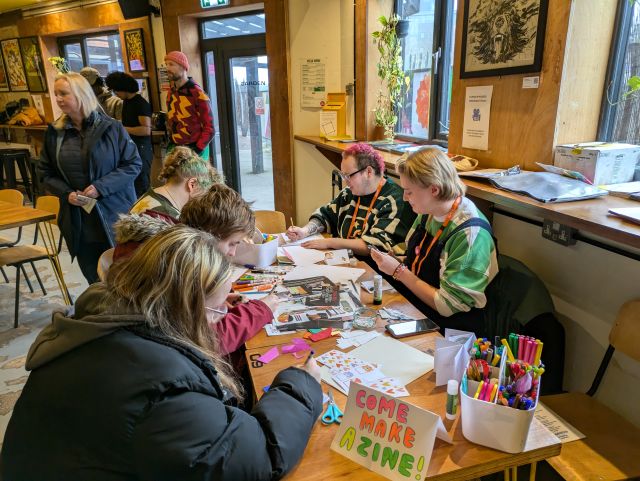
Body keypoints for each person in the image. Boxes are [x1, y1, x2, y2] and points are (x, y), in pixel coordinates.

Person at [1, 225, 323, 480]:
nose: (223, 315)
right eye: (216, 310)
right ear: (186, 308)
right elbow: (261, 459)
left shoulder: (102, 320)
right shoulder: (160, 390)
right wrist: (301, 383)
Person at [114, 183, 279, 355]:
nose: (232, 253)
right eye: (232, 244)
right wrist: (261, 310)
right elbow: (207, 341)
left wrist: (215, 302)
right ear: (209, 236)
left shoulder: (172, 250)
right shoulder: (173, 267)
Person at [370, 147, 498, 332]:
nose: (405, 198)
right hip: (419, 309)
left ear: (434, 189)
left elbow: (447, 306)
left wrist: (398, 271)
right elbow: (412, 252)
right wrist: (396, 260)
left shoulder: (470, 234)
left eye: (409, 191)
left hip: (451, 328)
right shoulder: (429, 211)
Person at [39, 72, 141, 284]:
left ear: (81, 94)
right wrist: (66, 194)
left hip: (114, 214)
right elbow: (45, 173)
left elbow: (133, 165)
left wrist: (100, 187)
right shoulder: (54, 132)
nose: (58, 99)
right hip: (78, 219)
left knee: (124, 275)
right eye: (56, 93)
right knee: (93, 278)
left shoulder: (112, 128)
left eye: (64, 94)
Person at [286, 143, 416, 256]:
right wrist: (304, 231)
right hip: (346, 261)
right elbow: (324, 215)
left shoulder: (394, 201)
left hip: (376, 272)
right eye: (343, 176)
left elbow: (375, 245)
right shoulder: (350, 193)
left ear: (369, 172)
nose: (346, 182)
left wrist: (330, 242)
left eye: (349, 176)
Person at [128, 145, 223, 221]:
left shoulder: (150, 195)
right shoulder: (167, 218)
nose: (202, 201)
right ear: (192, 184)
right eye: (203, 194)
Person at [105, 71, 153, 196]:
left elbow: (146, 129)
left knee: (141, 184)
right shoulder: (127, 102)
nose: (116, 94)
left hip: (142, 149)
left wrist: (122, 127)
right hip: (131, 147)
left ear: (124, 88)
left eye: (117, 91)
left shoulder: (140, 103)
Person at [164, 51, 214, 160]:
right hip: (175, 148)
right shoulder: (170, 93)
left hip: (195, 150)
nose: (167, 68)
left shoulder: (198, 93)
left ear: (183, 67)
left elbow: (209, 128)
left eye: (171, 64)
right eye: (166, 64)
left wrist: (197, 150)